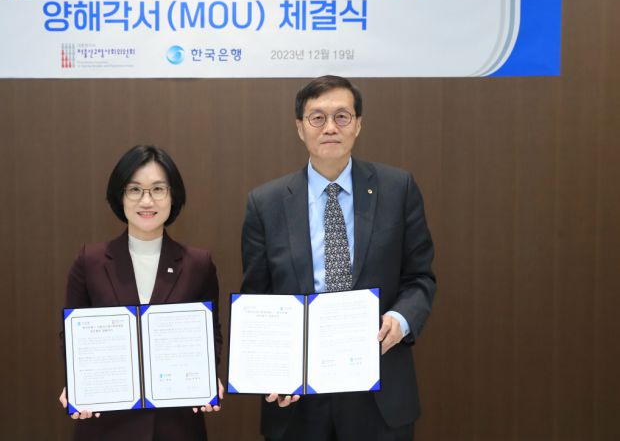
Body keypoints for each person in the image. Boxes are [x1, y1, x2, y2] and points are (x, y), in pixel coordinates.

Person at [241, 76, 436, 441]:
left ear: (358, 124)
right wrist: (272, 370)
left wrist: (400, 319)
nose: (330, 127)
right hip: (298, 396)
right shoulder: (265, 204)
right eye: (317, 117)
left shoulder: (398, 189)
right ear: (300, 127)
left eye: (342, 116)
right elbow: (258, 298)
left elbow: (420, 277)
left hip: (378, 388)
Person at [59, 145, 223, 441]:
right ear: (120, 196)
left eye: (158, 189)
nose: (147, 201)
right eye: (135, 190)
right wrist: (77, 382)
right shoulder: (90, 261)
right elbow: (71, 336)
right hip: (107, 425)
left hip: (176, 426)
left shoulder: (198, 264)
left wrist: (208, 377)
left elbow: (212, 334)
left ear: (173, 196)